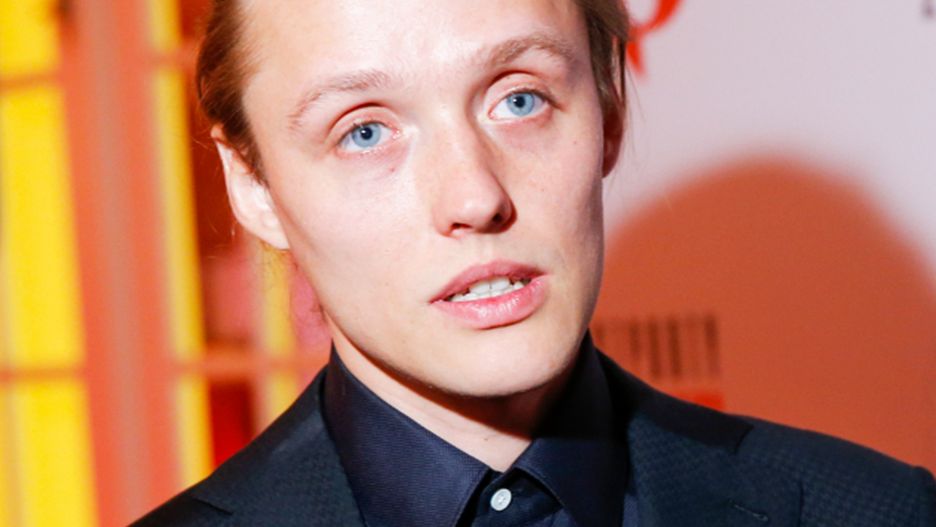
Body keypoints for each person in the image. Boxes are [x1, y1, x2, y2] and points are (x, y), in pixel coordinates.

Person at [135, 0, 936, 525]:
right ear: (253, 185)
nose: (475, 195)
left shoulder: (876, 510)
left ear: (610, 104)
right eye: (364, 132)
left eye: (519, 99)